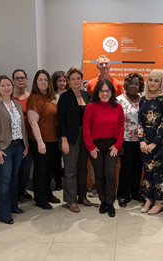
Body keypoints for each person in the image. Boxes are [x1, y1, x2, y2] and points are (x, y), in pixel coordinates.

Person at [0, 75, 29, 224]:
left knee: (14, 178)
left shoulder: (16, 104)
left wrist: (26, 145)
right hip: (3, 147)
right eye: (3, 85)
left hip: (18, 145)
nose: (6, 88)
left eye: (8, 85)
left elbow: (22, 126)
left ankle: (13, 206)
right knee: (4, 180)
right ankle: (3, 214)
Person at [83, 79, 124, 217]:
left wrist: (117, 145)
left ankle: (111, 202)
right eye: (102, 91)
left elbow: (121, 127)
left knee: (111, 174)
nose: (105, 93)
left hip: (112, 146)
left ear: (112, 92)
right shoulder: (91, 106)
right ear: (97, 92)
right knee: (99, 175)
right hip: (96, 147)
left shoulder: (117, 107)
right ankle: (103, 201)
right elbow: (86, 128)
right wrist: (91, 147)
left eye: (108, 91)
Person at [57, 67, 92, 213]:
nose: (76, 81)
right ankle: (71, 200)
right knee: (70, 170)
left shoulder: (87, 95)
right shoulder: (65, 97)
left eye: (78, 78)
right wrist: (64, 141)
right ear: (68, 81)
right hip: (70, 138)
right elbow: (61, 121)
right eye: (73, 79)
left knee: (83, 168)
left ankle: (82, 196)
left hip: (85, 136)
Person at [139, 70, 163, 215]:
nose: (152, 83)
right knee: (147, 172)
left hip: (159, 143)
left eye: (156, 81)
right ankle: (148, 199)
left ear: (161, 83)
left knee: (158, 172)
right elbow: (140, 122)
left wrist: (153, 143)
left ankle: (158, 200)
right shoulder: (143, 99)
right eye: (150, 80)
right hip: (145, 143)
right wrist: (142, 142)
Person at [27, 69, 60, 210]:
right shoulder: (34, 98)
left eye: (45, 80)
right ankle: (40, 199)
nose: (43, 82)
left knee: (49, 170)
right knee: (41, 170)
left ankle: (48, 194)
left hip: (53, 140)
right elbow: (33, 122)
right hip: (40, 141)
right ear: (36, 82)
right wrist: (40, 142)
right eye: (40, 79)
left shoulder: (50, 98)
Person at [116, 73, 145, 207]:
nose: (134, 86)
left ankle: (135, 192)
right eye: (131, 83)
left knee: (138, 168)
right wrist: (118, 142)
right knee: (126, 168)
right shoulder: (119, 101)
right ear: (126, 84)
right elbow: (115, 123)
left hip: (141, 141)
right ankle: (123, 194)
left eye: (137, 83)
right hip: (125, 141)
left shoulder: (144, 100)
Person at [12, 69, 33, 200]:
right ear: (13, 81)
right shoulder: (8, 98)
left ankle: (23, 189)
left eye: (23, 78)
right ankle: (13, 192)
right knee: (15, 167)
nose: (20, 80)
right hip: (14, 138)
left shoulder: (31, 97)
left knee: (26, 166)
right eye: (17, 78)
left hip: (29, 136)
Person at [51, 70, 67, 191]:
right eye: (59, 81)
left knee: (67, 158)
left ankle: (67, 180)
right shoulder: (51, 95)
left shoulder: (70, 94)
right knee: (56, 159)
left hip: (67, 130)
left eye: (64, 80)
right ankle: (57, 181)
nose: (62, 83)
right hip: (54, 130)